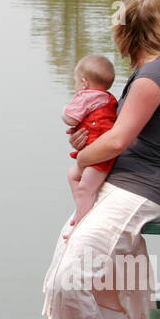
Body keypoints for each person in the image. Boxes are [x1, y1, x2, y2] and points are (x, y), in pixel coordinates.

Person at [4, 0, 160, 319]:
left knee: (72, 279)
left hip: (143, 190)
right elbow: (119, 137)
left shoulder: (153, 78)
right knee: (61, 272)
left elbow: (118, 141)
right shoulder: (152, 73)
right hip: (122, 186)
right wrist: (91, 141)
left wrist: (82, 156)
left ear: (124, 31)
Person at [62, 54, 118, 238]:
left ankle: (82, 219)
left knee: (84, 186)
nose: (76, 87)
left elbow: (70, 117)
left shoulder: (87, 96)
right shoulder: (107, 98)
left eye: (76, 82)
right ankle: (84, 205)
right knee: (75, 176)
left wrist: (64, 111)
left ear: (84, 83)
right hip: (96, 152)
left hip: (99, 156)